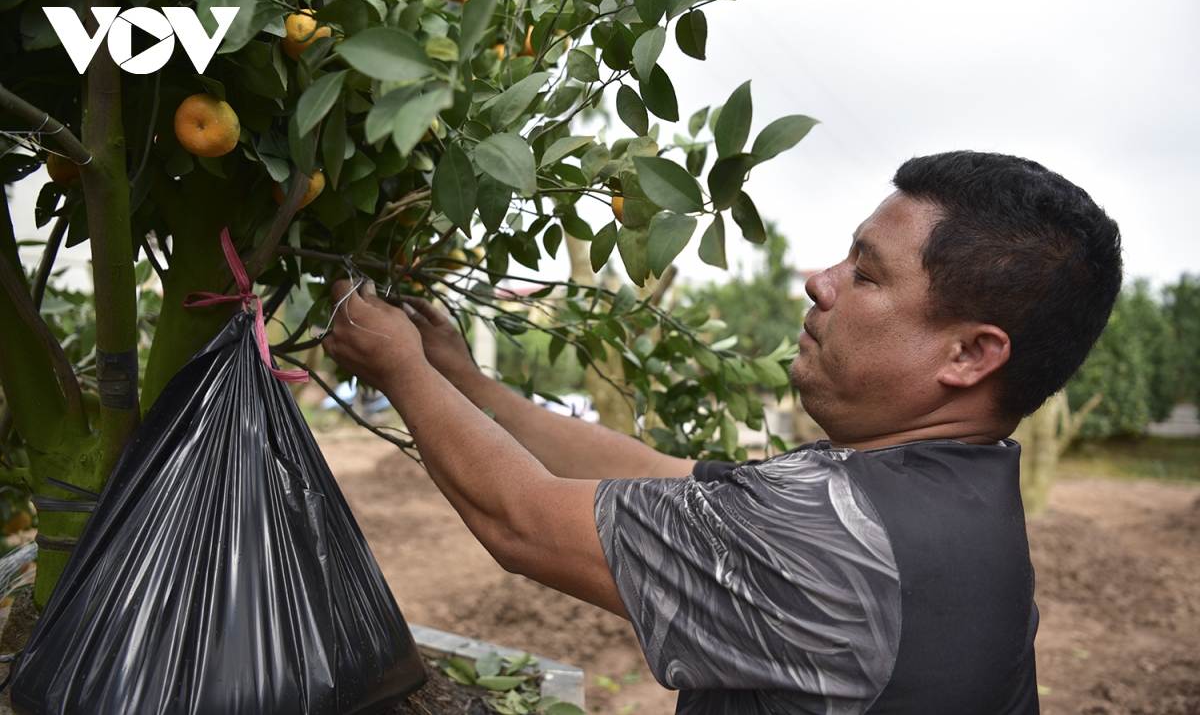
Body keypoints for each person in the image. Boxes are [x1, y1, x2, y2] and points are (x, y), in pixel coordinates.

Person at [321, 151, 1122, 714]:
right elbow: (657, 472)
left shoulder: (832, 537)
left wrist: (398, 368)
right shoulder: (952, 490)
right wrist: (468, 381)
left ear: (970, 353)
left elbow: (522, 519)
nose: (820, 280)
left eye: (867, 274)